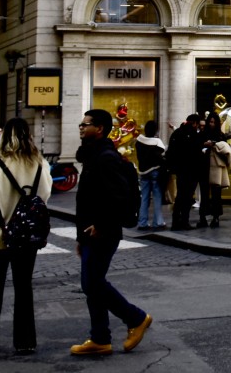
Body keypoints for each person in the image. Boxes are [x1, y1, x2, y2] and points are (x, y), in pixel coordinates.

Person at [71, 109, 152, 356]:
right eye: (81, 124)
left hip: (103, 233)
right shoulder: (93, 156)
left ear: (101, 129)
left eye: (86, 124)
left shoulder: (105, 157)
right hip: (90, 232)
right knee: (93, 285)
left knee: (92, 283)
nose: (82, 128)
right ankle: (100, 338)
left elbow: (118, 196)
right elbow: (88, 199)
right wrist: (80, 237)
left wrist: (101, 226)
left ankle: (136, 318)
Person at [0, 117, 51, 355]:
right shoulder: (39, 164)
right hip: (26, 236)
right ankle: (25, 340)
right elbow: (45, 196)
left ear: (4, 136)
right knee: (24, 287)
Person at [166, 114, 205, 231]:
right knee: (187, 197)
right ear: (195, 123)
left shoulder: (176, 133)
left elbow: (171, 151)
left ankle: (175, 221)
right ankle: (184, 221)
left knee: (180, 196)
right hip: (191, 170)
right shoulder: (193, 135)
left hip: (180, 171)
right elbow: (196, 153)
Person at [135, 120, 167, 231]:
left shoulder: (139, 141)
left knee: (144, 198)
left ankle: (142, 222)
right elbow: (161, 155)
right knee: (157, 197)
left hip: (143, 171)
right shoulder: (156, 142)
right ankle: (158, 222)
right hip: (155, 171)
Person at [202, 115, 231, 229]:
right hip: (204, 167)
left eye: (214, 122)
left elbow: (226, 151)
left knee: (216, 194)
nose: (212, 124)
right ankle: (203, 217)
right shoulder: (203, 134)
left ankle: (216, 217)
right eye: (210, 122)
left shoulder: (220, 135)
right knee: (204, 194)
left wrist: (215, 145)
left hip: (216, 167)